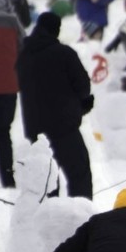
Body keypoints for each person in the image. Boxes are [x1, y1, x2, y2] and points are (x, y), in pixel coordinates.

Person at [16, 12, 94, 199]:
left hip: (35, 130)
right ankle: (80, 214)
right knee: (79, 175)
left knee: (46, 181)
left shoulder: (23, 55)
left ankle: (49, 215)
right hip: (64, 127)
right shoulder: (65, 54)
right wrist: (82, 105)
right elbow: (83, 87)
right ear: (56, 30)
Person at [0, 0, 22, 189]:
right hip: (8, 86)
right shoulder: (13, 22)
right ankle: (8, 180)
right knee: (3, 132)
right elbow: (23, 49)